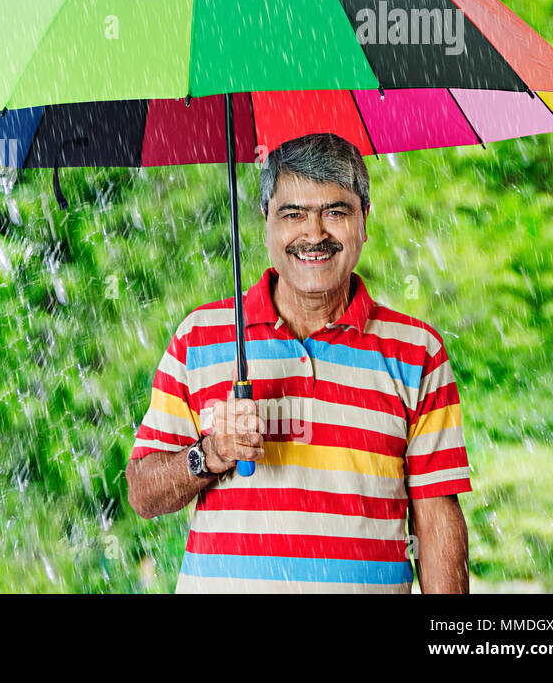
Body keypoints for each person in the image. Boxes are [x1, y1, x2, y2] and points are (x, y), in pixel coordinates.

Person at [125, 132, 471, 592]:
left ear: (364, 220)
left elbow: (437, 516)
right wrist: (211, 453)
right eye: (293, 214)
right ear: (266, 220)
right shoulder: (200, 337)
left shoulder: (417, 351)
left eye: (336, 211)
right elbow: (143, 493)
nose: (314, 234)